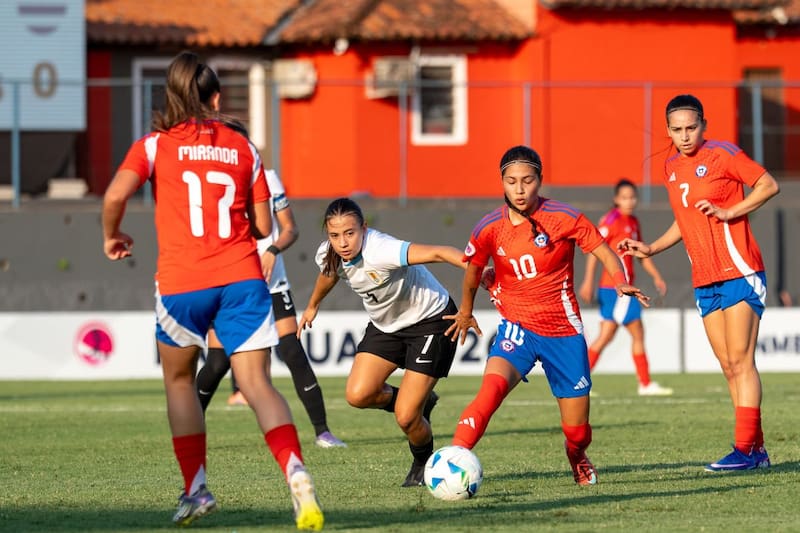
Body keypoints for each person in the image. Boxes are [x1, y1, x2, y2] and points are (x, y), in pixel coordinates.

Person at [102, 51, 324, 530]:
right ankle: (295, 469)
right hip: (243, 277)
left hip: (183, 282)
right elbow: (264, 225)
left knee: (180, 381)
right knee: (258, 383)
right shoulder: (244, 148)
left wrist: (111, 235)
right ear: (216, 96)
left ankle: (196, 489)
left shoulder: (154, 145)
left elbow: (116, 195)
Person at [445, 145, 649, 486]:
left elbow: (604, 251)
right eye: (511, 181)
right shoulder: (488, 227)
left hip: (563, 334)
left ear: (540, 180)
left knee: (578, 431)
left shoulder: (564, 217)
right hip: (517, 328)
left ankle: (577, 456)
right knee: (489, 393)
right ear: (502, 183)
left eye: (527, 180)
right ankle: (451, 463)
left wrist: (620, 282)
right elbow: (472, 272)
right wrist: (465, 311)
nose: (520, 189)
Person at [618, 94, 779, 472]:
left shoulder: (723, 153)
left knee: (741, 360)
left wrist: (729, 211)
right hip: (705, 277)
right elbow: (684, 218)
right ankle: (756, 450)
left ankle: (744, 450)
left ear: (703, 125)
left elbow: (768, 185)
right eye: (677, 130)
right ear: (668, 131)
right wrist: (651, 248)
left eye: (691, 127)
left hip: (739, 270)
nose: (685, 136)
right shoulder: (671, 166)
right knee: (728, 366)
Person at [297, 197, 464, 487]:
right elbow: (329, 274)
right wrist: (313, 305)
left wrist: (482, 270)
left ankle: (423, 460)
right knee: (358, 395)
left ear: (364, 227)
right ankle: (419, 403)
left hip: (431, 320)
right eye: (335, 235)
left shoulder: (382, 249)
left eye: (350, 233)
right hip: (387, 326)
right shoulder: (329, 252)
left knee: (406, 419)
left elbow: (439, 252)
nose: (343, 242)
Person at [195, 169, 347, 449]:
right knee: (217, 362)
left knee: (291, 349)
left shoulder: (269, 177)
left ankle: (323, 432)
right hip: (229, 282)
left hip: (272, 282)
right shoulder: (211, 178)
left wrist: (272, 251)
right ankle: (190, 431)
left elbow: (290, 228)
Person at [578, 179, 673, 396]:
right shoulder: (611, 220)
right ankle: (584, 381)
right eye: (624, 197)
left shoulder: (633, 222)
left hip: (625, 289)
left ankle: (642, 383)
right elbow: (595, 250)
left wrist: (656, 276)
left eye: (632, 197)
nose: (629, 201)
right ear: (616, 199)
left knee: (628, 333)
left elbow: (641, 255)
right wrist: (588, 281)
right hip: (613, 289)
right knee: (611, 334)